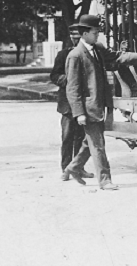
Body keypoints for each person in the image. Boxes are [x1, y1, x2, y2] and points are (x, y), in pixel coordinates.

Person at [62, 14, 137, 190]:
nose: (98, 35)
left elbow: (117, 57)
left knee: (91, 141)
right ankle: (105, 180)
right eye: (95, 32)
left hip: (99, 105)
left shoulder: (97, 49)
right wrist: (79, 113)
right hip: (88, 109)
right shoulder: (75, 56)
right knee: (98, 144)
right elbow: (72, 88)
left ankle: (74, 167)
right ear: (85, 33)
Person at [51, 27, 92, 181]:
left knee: (81, 137)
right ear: (70, 36)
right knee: (67, 136)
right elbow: (54, 75)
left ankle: (79, 168)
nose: (75, 39)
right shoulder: (63, 54)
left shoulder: (87, 53)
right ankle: (66, 168)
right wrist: (68, 80)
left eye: (78, 35)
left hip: (83, 101)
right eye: (73, 36)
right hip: (67, 104)